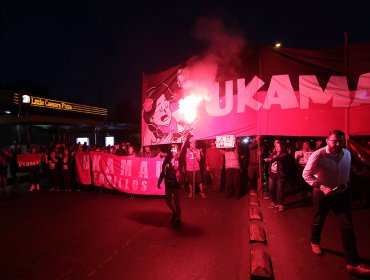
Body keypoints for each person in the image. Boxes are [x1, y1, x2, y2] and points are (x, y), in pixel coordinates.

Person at [303, 130, 370, 276]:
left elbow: (350, 169)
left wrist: (346, 183)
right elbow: (306, 174)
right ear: (327, 141)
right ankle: (314, 242)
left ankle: (353, 263)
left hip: (341, 194)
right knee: (319, 220)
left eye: (340, 141)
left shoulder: (346, 153)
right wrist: (321, 186)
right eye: (334, 141)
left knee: (347, 226)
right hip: (322, 195)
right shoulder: (319, 155)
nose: (337, 144)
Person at [157, 134, 191, 226]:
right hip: (168, 183)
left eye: (175, 148)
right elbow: (163, 171)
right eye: (172, 148)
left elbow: (184, 150)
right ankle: (174, 212)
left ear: (177, 150)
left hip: (176, 183)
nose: (173, 150)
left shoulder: (179, 158)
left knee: (176, 202)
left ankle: (178, 218)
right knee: (168, 201)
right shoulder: (167, 159)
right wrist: (159, 181)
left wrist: (187, 139)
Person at [264, 140, 290, 212]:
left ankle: (281, 204)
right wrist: (268, 158)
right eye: (276, 146)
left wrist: (271, 159)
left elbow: (279, 158)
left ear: (282, 147)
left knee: (280, 190)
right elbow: (269, 157)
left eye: (279, 146)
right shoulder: (273, 153)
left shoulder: (284, 154)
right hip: (272, 174)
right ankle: (274, 202)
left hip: (280, 175)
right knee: (271, 188)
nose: (277, 148)